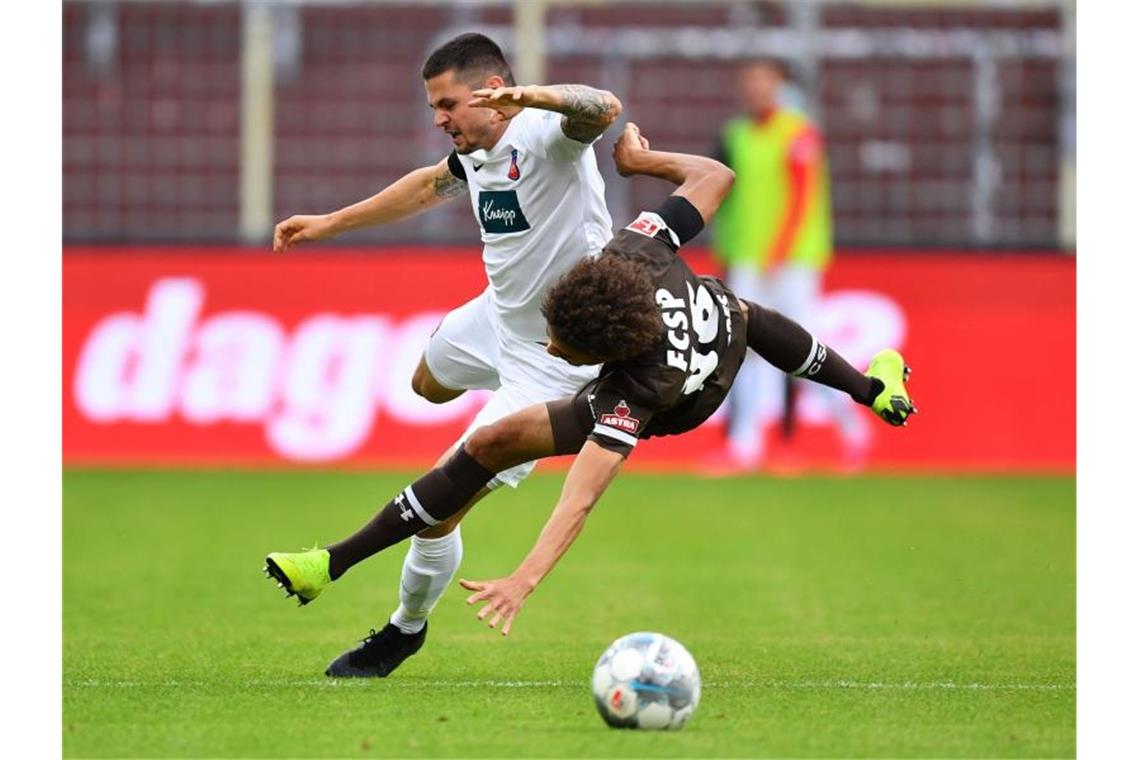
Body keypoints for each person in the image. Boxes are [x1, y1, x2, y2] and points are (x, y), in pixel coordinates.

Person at [264, 123, 917, 660]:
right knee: (742, 312)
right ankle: (872, 386)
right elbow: (715, 178)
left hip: (693, 389)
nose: (550, 347)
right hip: (715, 312)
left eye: (561, 347)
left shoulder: (631, 394)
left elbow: (578, 500)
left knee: (492, 442)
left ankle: (336, 564)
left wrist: (525, 578)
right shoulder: (631, 252)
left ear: (599, 359)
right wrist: (641, 160)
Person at [270, 33, 623, 676]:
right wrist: (329, 223)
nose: (439, 119)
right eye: (434, 106)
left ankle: (404, 630)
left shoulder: (547, 133)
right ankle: (477, 414)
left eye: (449, 104)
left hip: (554, 359)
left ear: (494, 94)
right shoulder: (474, 151)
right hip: (497, 317)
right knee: (425, 384)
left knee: (440, 506)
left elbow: (602, 107)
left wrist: (533, 96)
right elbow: (429, 186)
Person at [711, 58, 868, 472]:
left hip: (792, 260)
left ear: (780, 86)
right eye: (751, 82)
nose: (757, 89)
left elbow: (803, 196)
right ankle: (745, 445)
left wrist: (779, 250)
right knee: (740, 348)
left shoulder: (798, 133)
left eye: (765, 81)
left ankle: (852, 426)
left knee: (805, 349)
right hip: (748, 255)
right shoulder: (736, 134)